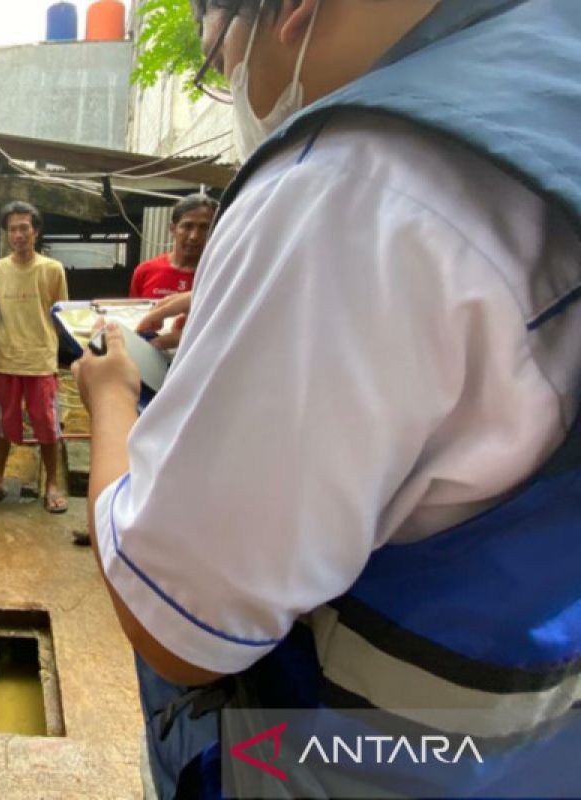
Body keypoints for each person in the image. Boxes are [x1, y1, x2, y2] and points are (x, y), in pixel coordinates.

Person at [74, 0, 581, 797]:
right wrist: (235, 305)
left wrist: (111, 401)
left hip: (344, 762)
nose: (233, 86)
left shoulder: (353, 181)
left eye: (217, 58)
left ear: (293, 11)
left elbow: (178, 629)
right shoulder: (549, 81)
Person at [0, 201, 70, 513]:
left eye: (24, 228)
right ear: (6, 233)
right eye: (12, 229)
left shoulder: (52, 270)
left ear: (36, 231)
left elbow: (62, 315)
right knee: (2, 422)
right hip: (7, 359)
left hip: (41, 359)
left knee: (46, 422)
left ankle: (52, 482)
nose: (18, 234)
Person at [128, 195, 217, 300]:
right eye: (187, 226)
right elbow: (134, 313)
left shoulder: (218, 274)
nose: (194, 236)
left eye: (204, 228)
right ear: (172, 229)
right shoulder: (145, 271)